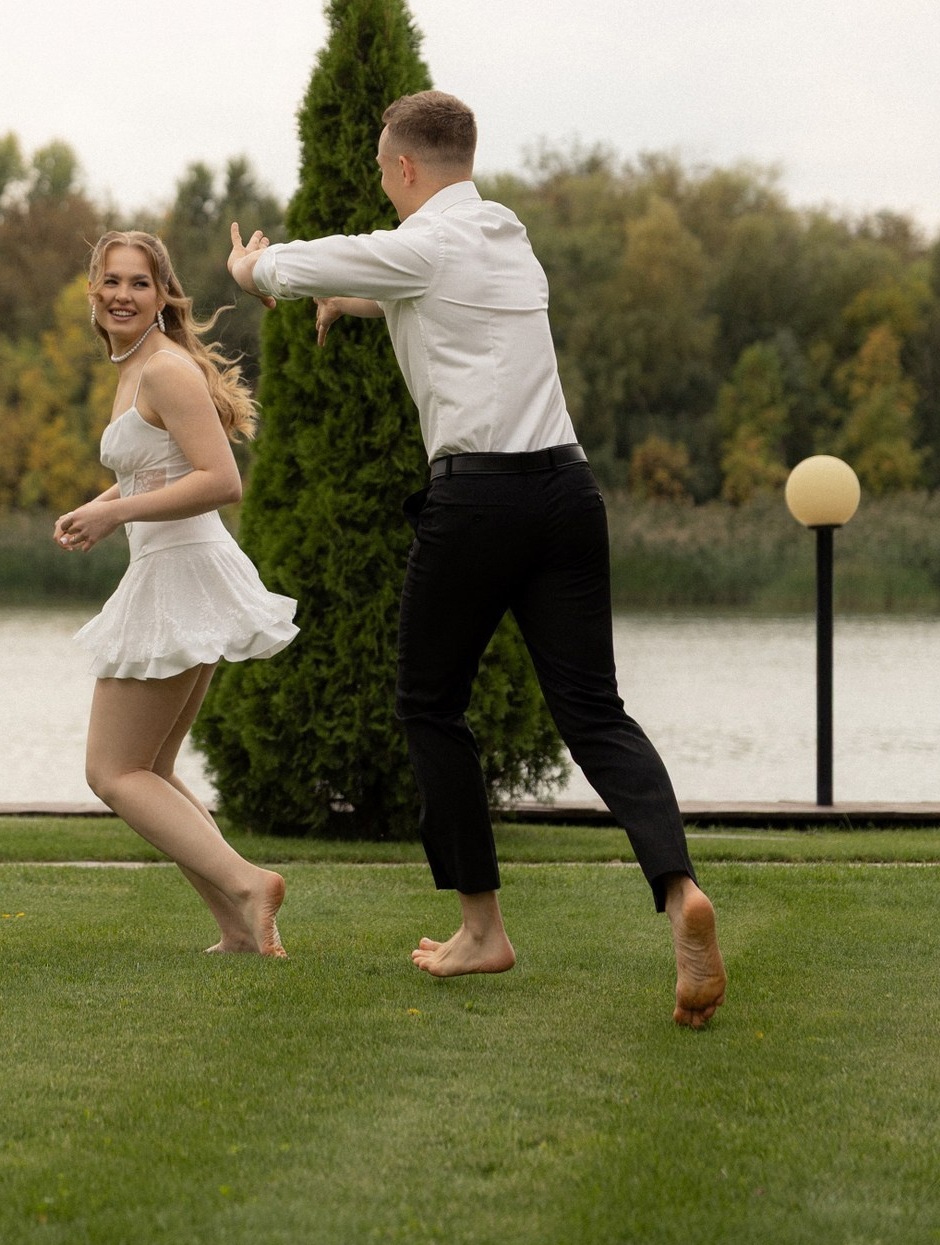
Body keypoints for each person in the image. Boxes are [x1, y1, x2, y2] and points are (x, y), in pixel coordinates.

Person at [226, 92, 726, 1025]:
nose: (384, 183)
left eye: (384, 169)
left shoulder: (419, 243)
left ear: (404, 168)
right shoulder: (507, 238)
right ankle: (678, 890)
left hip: (478, 501)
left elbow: (292, 266)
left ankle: (481, 929)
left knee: (428, 704)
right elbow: (448, 306)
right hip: (566, 492)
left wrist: (249, 265)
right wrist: (360, 301)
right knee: (595, 712)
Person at [56, 230, 297, 957]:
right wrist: (102, 506)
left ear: (163, 294)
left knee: (112, 771)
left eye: (139, 282)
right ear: (92, 291)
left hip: (181, 573)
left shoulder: (163, 369)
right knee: (150, 770)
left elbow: (221, 481)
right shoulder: (137, 366)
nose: (122, 295)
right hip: (176, 572)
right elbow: (157, 469)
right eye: (111, 281)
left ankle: (250, 883)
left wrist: (115, 513)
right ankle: (238, 928)